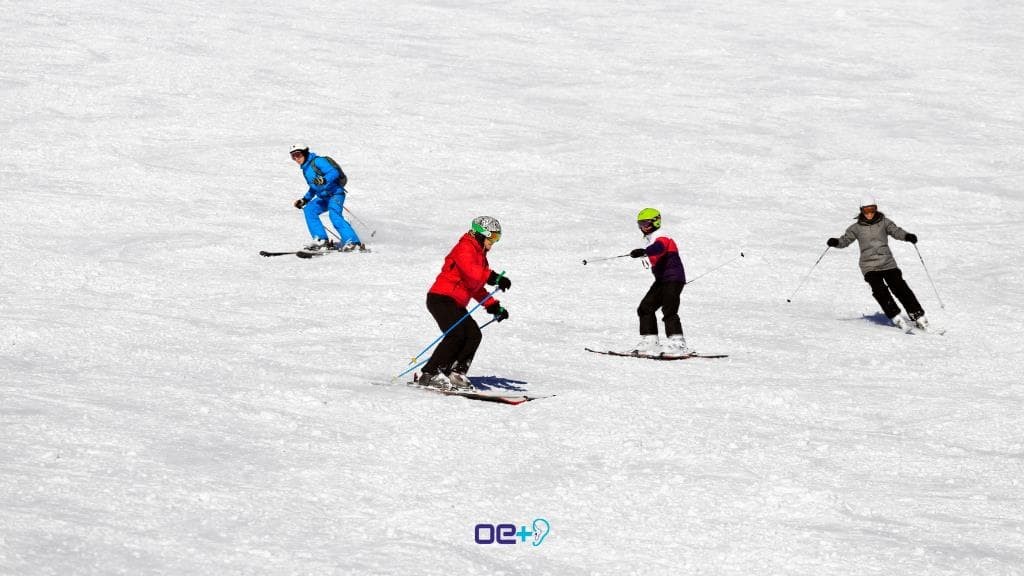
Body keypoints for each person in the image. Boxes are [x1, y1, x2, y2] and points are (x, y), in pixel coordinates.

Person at [419, 216, 511, 391]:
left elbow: (475, 286)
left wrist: (493, 306)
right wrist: (494, 277)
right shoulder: (465, 247)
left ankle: (456, 372)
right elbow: (472, 271)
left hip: (455, 303)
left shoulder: (480, 256)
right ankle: (430, 374)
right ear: (481, 234)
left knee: (473, 334)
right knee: (456, 334)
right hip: (441, 298)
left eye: (497, 239)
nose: (494, 243)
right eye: (492, 238)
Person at [827, 196, 928, 331]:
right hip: (869, 266)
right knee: (879, 290)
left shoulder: (884, 222)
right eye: (866, 210)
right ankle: (895, 315)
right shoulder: (855, 228)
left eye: (872, 209)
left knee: (900, 287)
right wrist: (836, 242)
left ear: (876, 209)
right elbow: (845, 240)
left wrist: (907, 236)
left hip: (887, 263)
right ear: (861, 211)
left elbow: (896, 231)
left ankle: (918, 316)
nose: (869, 213)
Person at [628, 208, 690, 356]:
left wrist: (644, 252)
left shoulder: (662, 236)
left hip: (674, 279)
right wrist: (644, 253)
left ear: (656, 222)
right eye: (640, 224)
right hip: (662, 280)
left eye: (646, 224)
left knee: (669, 310)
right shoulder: (650, 239)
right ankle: (650, 341)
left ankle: (678, 344)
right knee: (645, 308)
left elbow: (660, 248)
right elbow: (653, 257)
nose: (643, 227)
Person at [289, 144, 364, 252]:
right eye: (293, 156)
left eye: (298, 154)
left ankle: (353, 242)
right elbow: (314, 187)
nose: (296, 158)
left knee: (334, 215)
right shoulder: (305, 170)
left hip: (335, 194)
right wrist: (304, 200)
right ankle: (321, 240)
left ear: (305, 153)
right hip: (323, 197)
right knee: (309, 209)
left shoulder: (318, 161)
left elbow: (334, 172)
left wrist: (324, 179)